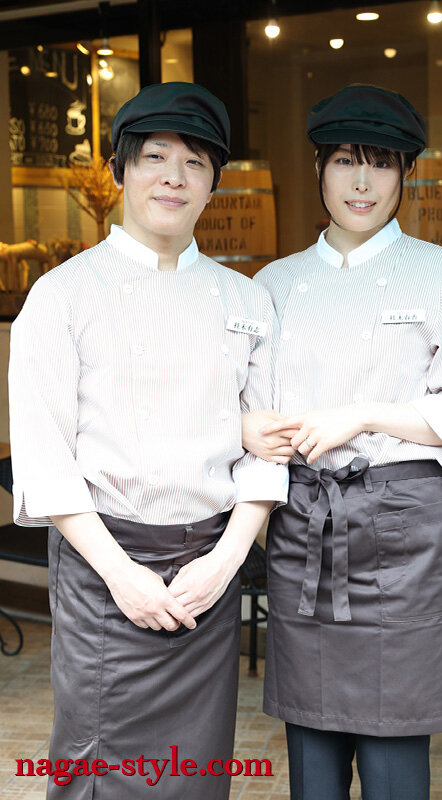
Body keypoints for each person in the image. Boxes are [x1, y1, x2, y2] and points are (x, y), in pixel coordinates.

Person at [9, 81, 287, 800]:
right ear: (119, 170)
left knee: (195, 775)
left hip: (208, 574)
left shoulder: (246, 301)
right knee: (98, 773)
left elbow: (267, 452)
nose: (174, 177)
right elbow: (44, 458)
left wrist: (227, 560)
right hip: (104, 566)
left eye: (195, 163)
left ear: (213, 183)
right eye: (155, 157)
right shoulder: (63, 295)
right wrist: (120, 574)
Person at [242, 84, 442, 800]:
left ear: (405, 174)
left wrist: (363, 415)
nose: (362, 183)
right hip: (306, 526)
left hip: (405, 533)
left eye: (381, 163)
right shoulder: (274, 285)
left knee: (395, 764)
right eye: (344, 162)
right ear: (318, 168)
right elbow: (249, 413)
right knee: (313, 758)